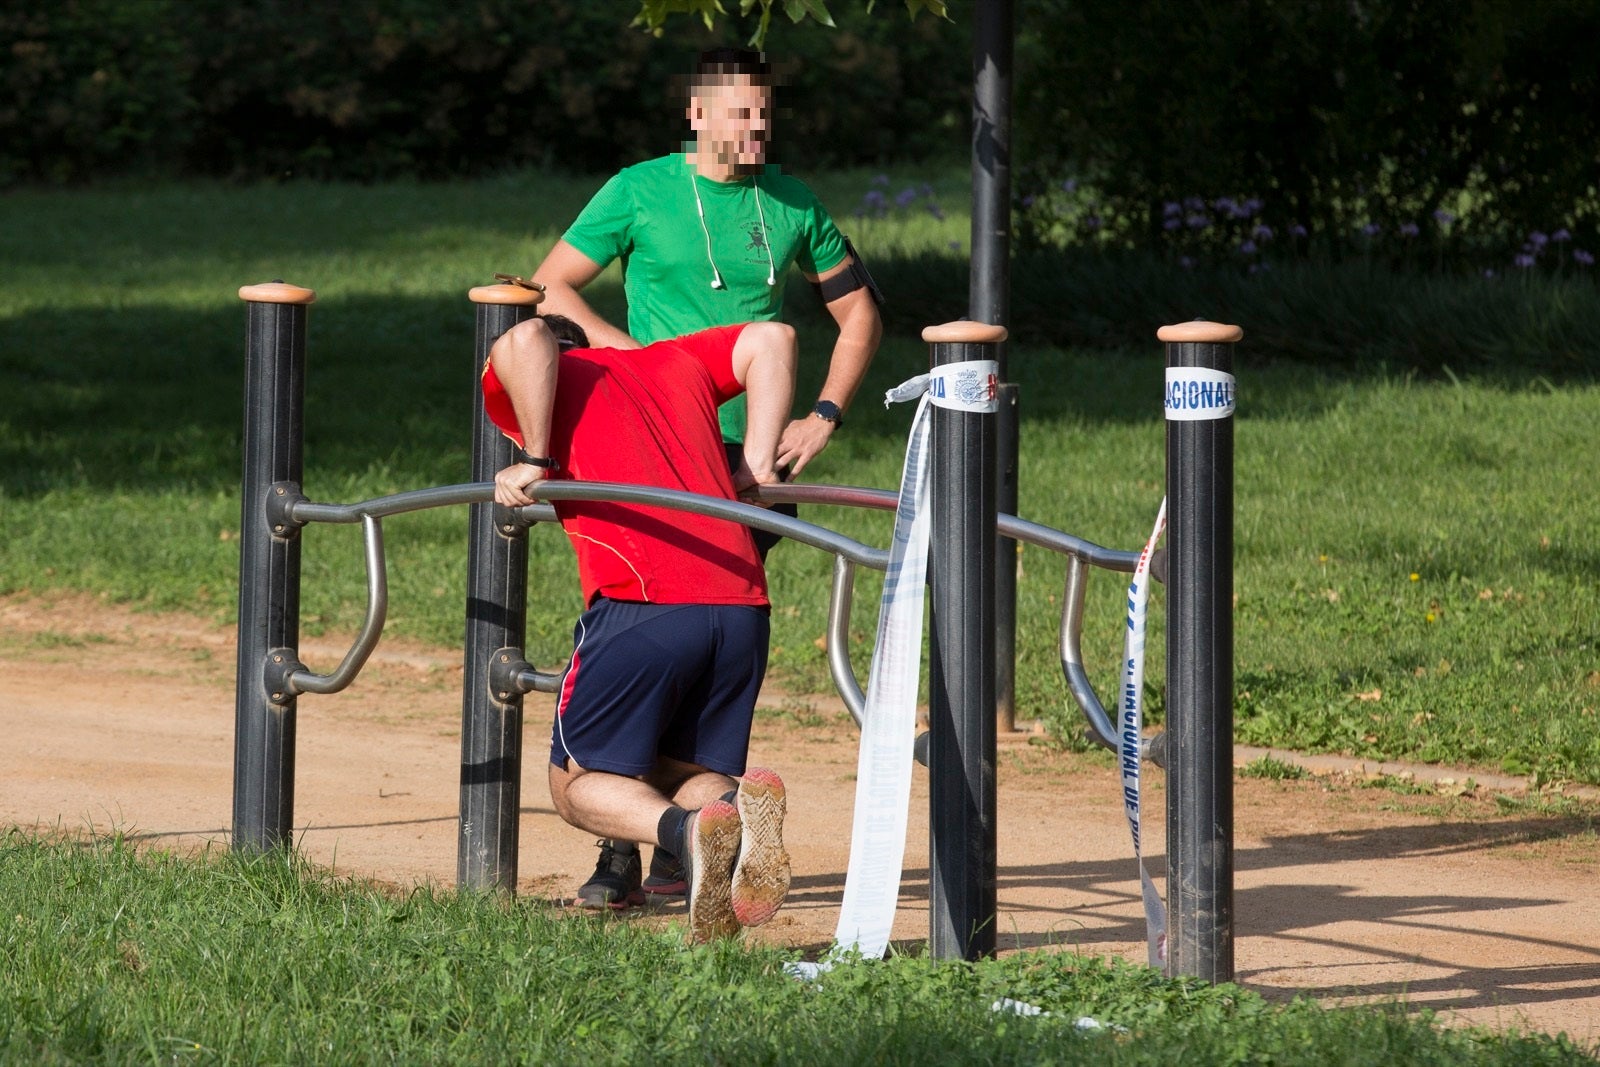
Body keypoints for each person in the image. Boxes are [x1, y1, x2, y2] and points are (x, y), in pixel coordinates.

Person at [530, 46, 883, 907]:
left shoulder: (793, 202)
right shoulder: (640, 189)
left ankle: (675, 844)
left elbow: (859, 314)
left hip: (743, 462)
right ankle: (636, 849)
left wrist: (823, 416)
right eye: (739, 113)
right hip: (651, 449)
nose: (755, 128)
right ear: (698, 115)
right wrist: (640, 364)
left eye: (764, 113)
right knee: (646, 617)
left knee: (706, 636)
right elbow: (551, 287)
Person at [482, 311, 796, 940]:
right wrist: (756, 467)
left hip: (643, 600)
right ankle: (731, 811)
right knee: (672, 767)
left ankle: (686, 837)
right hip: (740, 605)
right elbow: (773, 337)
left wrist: (538, 457)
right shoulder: (670, 362)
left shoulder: (554, 370)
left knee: (575, 786)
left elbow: (524, 339)